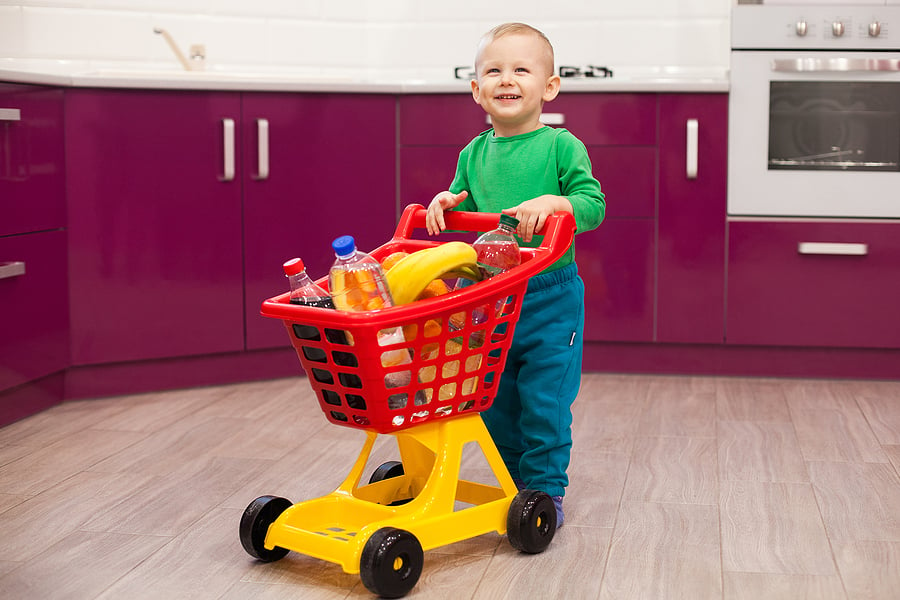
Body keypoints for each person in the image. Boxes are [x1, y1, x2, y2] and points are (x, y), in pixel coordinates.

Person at [425, 22, 605, 528]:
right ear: (477, 90)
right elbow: (465, 203)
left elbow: (593, 206)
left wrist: (557, 202)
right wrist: (445, 201)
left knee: (544, 399)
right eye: (494, 70)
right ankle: (513, 484)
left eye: (521, 69)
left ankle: (545, 490)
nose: (508, 79)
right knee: (494, 398)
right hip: (489, 297)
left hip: (550, 297)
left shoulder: (561, 147)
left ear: (548, 87)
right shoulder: (473, 153)